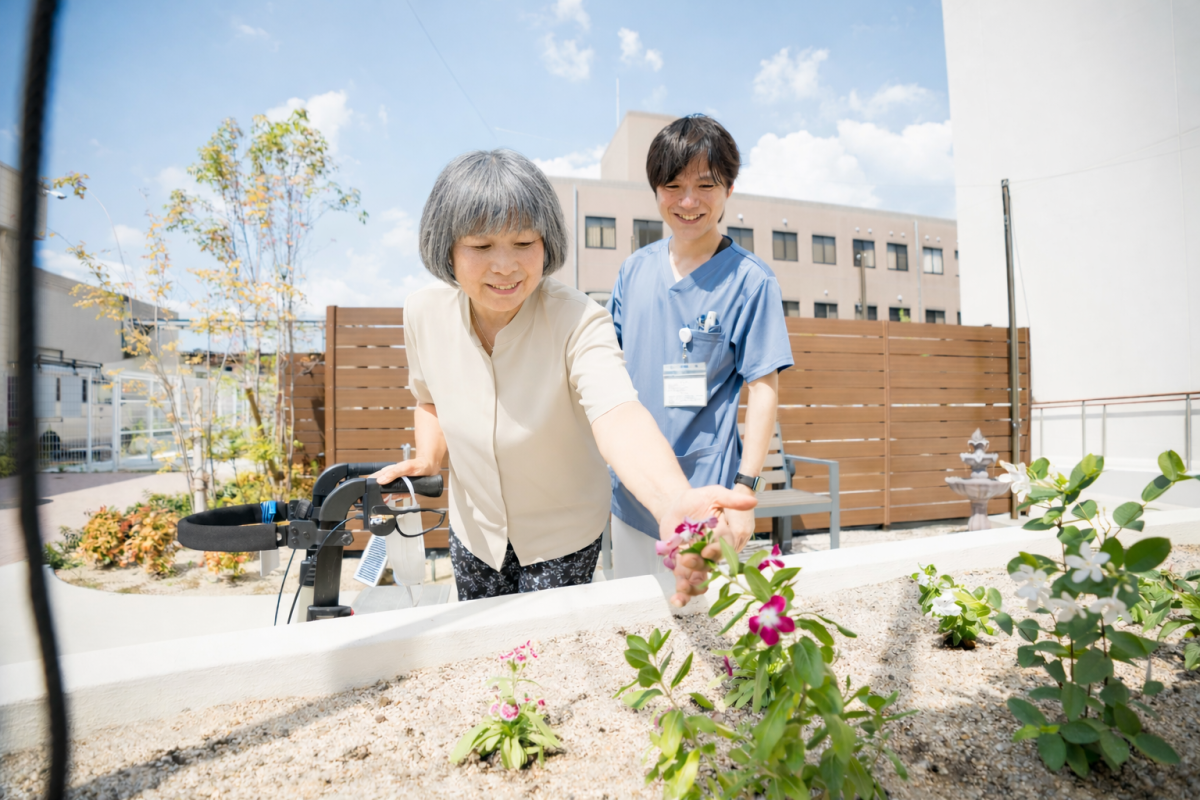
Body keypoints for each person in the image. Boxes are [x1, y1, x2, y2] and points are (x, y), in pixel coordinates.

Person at [370, 149, 755, 606]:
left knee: (544, 661)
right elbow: (430, 398)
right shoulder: (423, 312)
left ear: (547, 243)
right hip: (473, 530)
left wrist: (672, 502)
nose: (506, 266)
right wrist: (429, 460)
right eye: (481, 246)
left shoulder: (579, 320)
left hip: (561, 536)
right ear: (446, 248)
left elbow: (618, 414)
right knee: (488, 655)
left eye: (523, 243)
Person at [607, 115, 793, 579]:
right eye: (672, 185)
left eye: (705, 185)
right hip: (631, 489)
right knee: (635, 627)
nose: (688, 201)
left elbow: (763, 387)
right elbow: (607, 371)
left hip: (705, 489)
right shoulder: (633, 272)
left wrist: (745, 492)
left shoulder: (751, 281)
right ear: (655, 191)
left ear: (729, 189)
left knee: (703, 625)